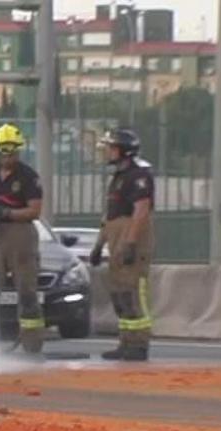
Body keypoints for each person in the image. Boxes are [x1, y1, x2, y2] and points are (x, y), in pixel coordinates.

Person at [0, 124, 46, 354]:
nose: (7, 155)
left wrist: (5, 213)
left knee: (26, 291)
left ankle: (31, 344)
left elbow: (34, 211)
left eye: (12, 150)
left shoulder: (29, 177)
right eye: (3, 150)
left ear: (19, 150)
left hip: (21, 235)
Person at [91, 129, 155, 361]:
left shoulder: (139, 176)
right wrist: (99, 246)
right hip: (115, 240)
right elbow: (109, 217)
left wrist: (130, 243)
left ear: (123, 151)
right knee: (119, 293)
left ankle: (139, 343)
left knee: (133, 292)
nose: (107, 152)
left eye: (111, 147)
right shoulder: (118, 178)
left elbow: (141, 211)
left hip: (131, 240)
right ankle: (126, 341)